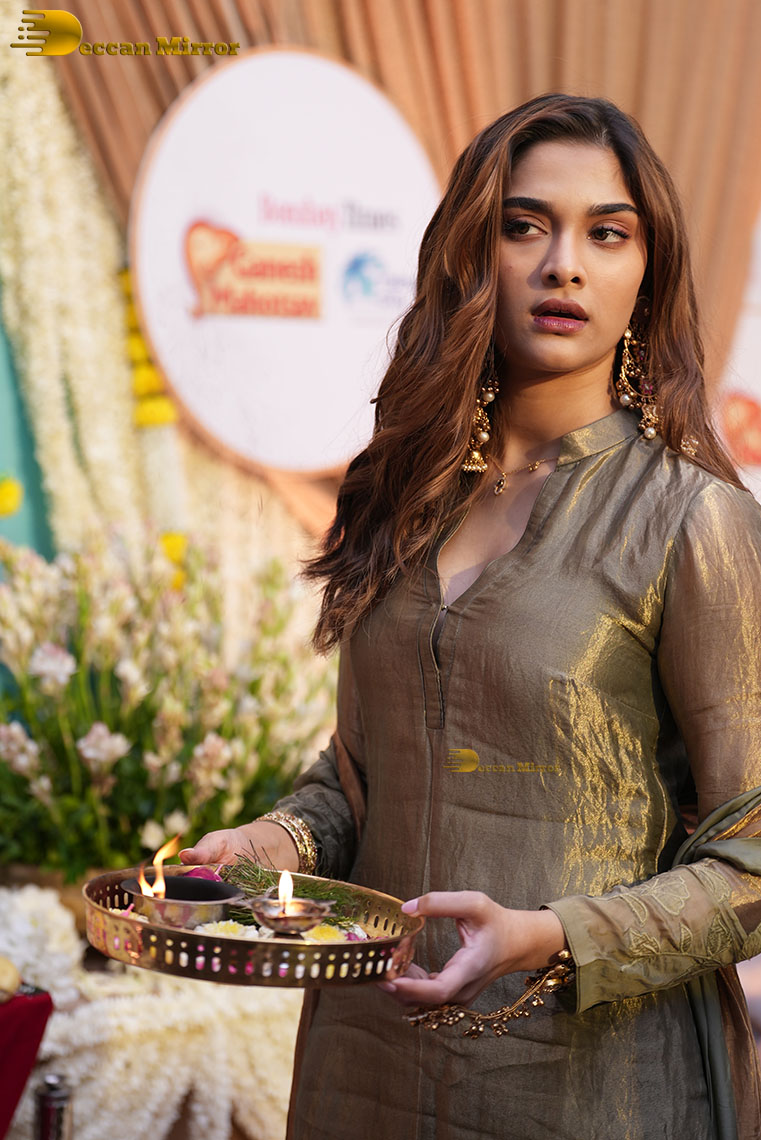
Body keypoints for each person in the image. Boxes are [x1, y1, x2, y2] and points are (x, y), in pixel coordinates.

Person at [180, 93, 761, 1139]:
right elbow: (364, 778)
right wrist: (269, 841)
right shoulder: (402, 497)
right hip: (367, 1058)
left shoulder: (689, 521)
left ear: (648, 269)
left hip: (583, 1079)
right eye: (524, 225)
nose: (563, 266)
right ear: (471, 252)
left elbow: (751, 861)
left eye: (606, 233)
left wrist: (552, 935)